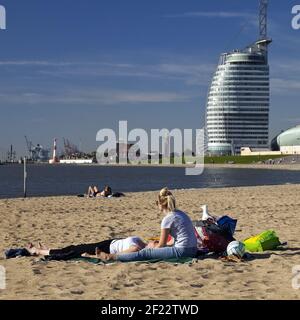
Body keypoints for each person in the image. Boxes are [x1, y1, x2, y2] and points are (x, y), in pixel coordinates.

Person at [96, 187, 198, 262]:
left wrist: (150, 248)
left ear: (160, 204)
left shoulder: (168, 219)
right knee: (153, 247)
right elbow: (177, 239)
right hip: (193, 249)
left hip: (183, 251)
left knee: (145, 253)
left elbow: (161, 245)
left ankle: (111, 257)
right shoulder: (180, 213)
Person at [26, 236, 147, 261]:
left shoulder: (136, 248)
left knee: (73, 250)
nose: (155, 241)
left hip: (106, 248)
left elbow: (111, 257)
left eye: (156, 243)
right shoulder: (142, 243)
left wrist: (91, 256)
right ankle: (49, 250)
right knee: (75, 247)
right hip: (109, 242)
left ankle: (39, 251)